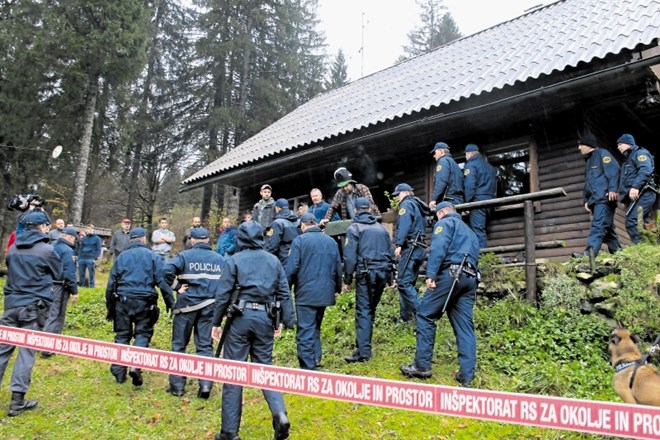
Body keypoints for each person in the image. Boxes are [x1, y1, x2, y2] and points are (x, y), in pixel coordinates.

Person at [211, 220, 295, 440]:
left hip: (239, 319)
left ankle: (229, 432)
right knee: (265, 370)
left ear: (240, 238)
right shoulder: (274, 261)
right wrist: (284, 321)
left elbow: (223, 294)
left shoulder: (234, 260)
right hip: (265, 319)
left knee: (234, 373)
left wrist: (215, 323)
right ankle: (280, 414)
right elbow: (284, 293)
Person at [400, 202, 479, 387]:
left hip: (450, 274)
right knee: (464, 326)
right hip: (470, 278)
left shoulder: (444, 223)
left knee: (425, 314)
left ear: (442, 212)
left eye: (437, 215)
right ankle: (466, 375)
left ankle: (421, 366)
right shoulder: (470, 232)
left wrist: (431, 274)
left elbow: (438, 248)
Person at [0, 211, 61, 416]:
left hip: (11, 305)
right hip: (33, 307)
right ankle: (17, 401)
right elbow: (58, 273)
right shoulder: (47, 250)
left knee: (2, 351)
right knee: (26, 352)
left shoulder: (12, 250)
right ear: (41, 227)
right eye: (46, 226)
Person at [106, 227, 174, 386]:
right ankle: (136, 366)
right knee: (142, 334)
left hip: (123, 300)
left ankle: (118, 369)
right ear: (144, 239)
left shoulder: (121, 257)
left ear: (130, 240)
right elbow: (162, 282)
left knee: (122, 334)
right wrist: (171, 303)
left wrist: (110, 307)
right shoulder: (153, 257)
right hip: (145, 301)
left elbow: (110, 285)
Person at [163, 227, 226, 398]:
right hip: (210, 307)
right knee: (205, 346)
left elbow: (165, 271)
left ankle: (177, 386)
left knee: (179, 345)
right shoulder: (220, 259)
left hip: (186, 307)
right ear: (207, 240)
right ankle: (205, 385)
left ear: (192, 240)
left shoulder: (184, 256)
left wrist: (176, 287)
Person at [285, 213, 342, 370]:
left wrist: (285, 289)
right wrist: (337, 288)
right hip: (325, 292)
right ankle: (316, 357)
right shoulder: (331, 241)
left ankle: (308, 366)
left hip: (306, 293)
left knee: (305, 329)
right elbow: (338, 267)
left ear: (303, 225)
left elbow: (291, 269)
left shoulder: (299, 241)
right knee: (315, 326)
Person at [342, 197, 394, 363]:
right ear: (370, 209)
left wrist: (347, 279)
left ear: (356, 210)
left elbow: (349, 257)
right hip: (383, 273)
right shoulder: (382, 229)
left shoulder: (354, 228)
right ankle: (363, 346)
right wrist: (391, 277)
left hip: (366, 273)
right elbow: (391, 253)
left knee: (363, 310)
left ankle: (363, 352)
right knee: (371, 309)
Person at [575, 134, 621, 257]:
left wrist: (613, 189)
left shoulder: (602, 154)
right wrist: (586, 199)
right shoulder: (589, 160)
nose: (579, 148)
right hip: (595, 200)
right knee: (608, 229)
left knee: (598, 225)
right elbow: (589, 183)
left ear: (589, 144)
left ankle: (589, 254)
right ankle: (619, 254)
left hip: (604, 198)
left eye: (581, 145)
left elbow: (614, 170)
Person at [392, 183, 428, 325]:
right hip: (419, 247)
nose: (397, 198)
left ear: (406, 193)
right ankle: (406, 318)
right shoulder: (418, 206)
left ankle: (424, 313)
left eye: (398, 195)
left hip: (410, 247)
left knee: (403, 282)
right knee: (408, 283)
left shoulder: (406, 205)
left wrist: (399, 244)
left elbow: (405, 224)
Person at [41, 227, 79, 358]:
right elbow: (69, 272)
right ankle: (49, 347)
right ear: (69, 237)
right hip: (60, 286)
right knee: (57, 316)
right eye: (74, 238)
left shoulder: (52, 247)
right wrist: (74, 291)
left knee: (48, 314)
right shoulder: (68, 251)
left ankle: (42, 343)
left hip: (48, 284)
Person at [617, 133, 657, 244]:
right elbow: (626, 182)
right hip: (638, 195)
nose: (618, 147)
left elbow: (645, 170)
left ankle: (641, 249)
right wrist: (625, 200)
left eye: (620, 144)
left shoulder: (639, 153)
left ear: (628, 143)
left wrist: (635, 186)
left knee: (632, 222)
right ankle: (653, 249)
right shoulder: (627, 160)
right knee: (645, 223)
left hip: (645, 192)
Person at [463, 144, 497, 248]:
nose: (465, 157)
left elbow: (469, 185)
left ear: (469, 153)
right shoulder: (490, 167)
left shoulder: (471, 165)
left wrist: (467, 203)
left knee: (477, 230)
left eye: (465, 155)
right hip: (490, 202)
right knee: (481, 228)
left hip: (477, 202)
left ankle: (481, 259)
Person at [428, 142, 464, 211]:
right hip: (458, 200)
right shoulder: (454, 163)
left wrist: (434, 199)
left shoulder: (443, 161)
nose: (434, 156)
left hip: (449, 200)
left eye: (435, 153)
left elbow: (441, 181)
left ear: (441, 151)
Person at [265, 198, 300, 266]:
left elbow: (272, 245)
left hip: (282, 259)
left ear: (278, 208)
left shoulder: (277, 223)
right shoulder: (297, 222)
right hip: (296, 257)